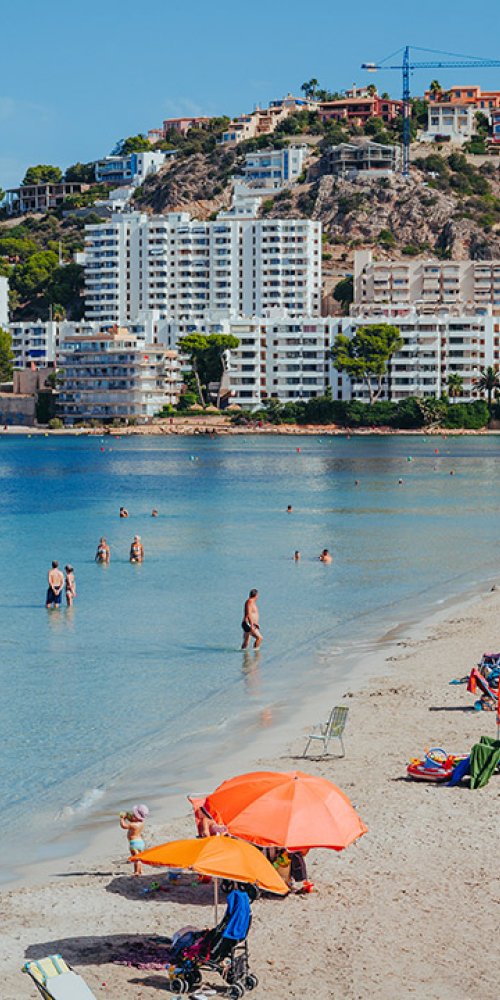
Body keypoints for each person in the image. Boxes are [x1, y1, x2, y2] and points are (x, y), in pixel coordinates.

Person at [120, 804, 149, 876]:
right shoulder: (141, 823)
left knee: (136, 859)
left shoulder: (132, 825)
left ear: (137, 817)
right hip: (141, 843)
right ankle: (140, 870)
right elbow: (133, 820)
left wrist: (122, 819)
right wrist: (128, 817)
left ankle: (136, 872)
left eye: (134, 814)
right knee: (138, 857)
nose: (132, 815)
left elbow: (124, 826)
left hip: (134, 843)